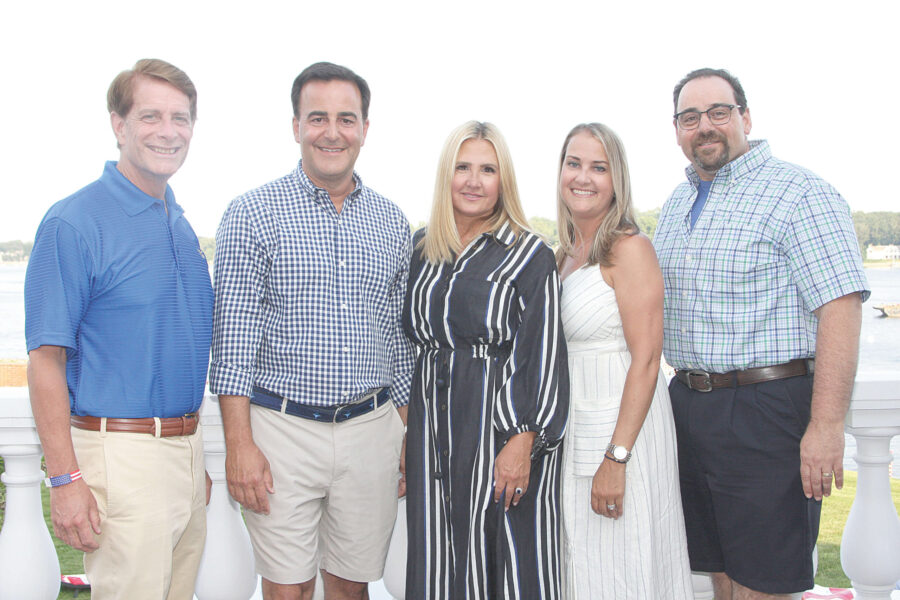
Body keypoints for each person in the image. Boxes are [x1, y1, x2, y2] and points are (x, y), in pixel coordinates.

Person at [654, 68, 869, 599]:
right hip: (689, 407)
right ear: (676, 129)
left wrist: (825, 426)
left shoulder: (801, 193)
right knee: (721, 574)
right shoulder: (678, 205)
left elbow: (839, 310)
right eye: (689, 117)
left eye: (718, 112)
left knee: (764, 582)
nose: (704, 126)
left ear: (745, 118)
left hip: (767, 412)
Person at [209, 62, 413, 600]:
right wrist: (239, 445)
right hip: (281, 430)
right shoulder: (252, 213)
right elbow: (233, 342)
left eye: (346, 118)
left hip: (370, 428)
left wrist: (405, 433)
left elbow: (397, 339)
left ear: (365, 129)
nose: (332, 131)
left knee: (351, 587)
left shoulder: (393, 222)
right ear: (295, 126)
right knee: (288, 590)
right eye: (317, 117)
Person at [24, 58, 213, 599]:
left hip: (183, 450)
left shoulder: (177, 221)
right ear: (118, 124)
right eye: (150, 115)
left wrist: (188, 455)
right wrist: (64, 481)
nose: (168, 131)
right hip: (122, 458)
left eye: (181, 118)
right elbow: (45, 360)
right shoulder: (74, 222)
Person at [402, 121, 568, 599]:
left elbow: (542, 351)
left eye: (487, 170)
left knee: (502, 559)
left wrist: (522, 438)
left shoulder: (528, 254)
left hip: (497, 430)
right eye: (463, 167)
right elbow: (411, 341)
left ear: (504, 180)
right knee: (436, 553)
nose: (473, 181)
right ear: (445, 176)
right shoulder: (422, 249)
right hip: (433, 429)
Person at [555, 123, 693, 599]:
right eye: (574, 163)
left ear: (618, 180)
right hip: (576, 433)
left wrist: (617, 458)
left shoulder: (629, 249)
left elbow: (648, 359)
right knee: (586, 569)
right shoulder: (566, 254)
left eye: (599, 167)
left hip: (622, 436)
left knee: (626, 567)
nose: (584, 177)